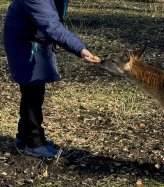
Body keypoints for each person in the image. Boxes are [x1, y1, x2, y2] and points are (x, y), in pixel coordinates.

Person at [3, 0, 100, 157]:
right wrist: (80, 49)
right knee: (32, 90)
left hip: (35, 37)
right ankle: (34, 143)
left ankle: (23, 137)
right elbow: (52, 26)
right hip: (23, 41)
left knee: (35, 89)